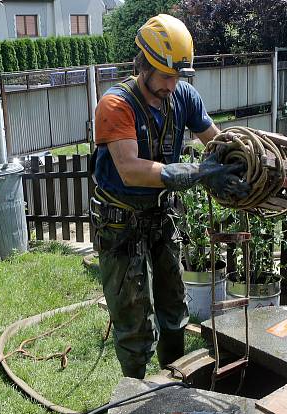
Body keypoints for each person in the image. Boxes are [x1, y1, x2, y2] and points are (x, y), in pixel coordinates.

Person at [91, 14, 249, 379]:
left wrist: (239, 161)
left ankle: (175, 383)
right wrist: (197, 172)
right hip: (120, 220)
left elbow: (217, 140)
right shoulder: (115, 105)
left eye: (177, 76)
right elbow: (130, 168)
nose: (171, 84)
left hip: (161, 215)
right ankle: (134, 395)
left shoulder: (183, 96)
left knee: (174, 307)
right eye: (164, 75)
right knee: (131, 316)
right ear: (142, 64)